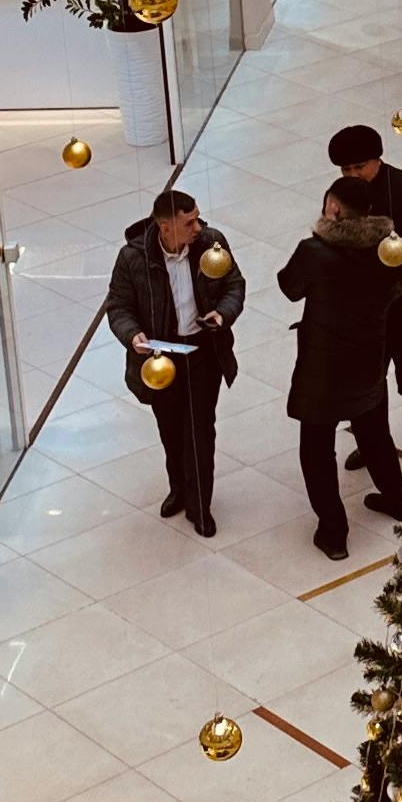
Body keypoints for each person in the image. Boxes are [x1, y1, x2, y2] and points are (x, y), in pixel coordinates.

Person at [104, 185, 245, 538]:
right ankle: (179, 488)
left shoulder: (212, 244)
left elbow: (234, 285)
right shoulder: (132, 257)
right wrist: (132, 334)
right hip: (159, 358)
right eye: (189, 222)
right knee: (169, 427)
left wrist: (222, 315)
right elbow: (118, 305)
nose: (198, 228)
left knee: (200, 429)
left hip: (202, 353)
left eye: (197, 219)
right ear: (165, 227)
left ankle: (201, 505)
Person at [281, 184, 402, 557]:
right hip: (370, 353)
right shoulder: (389, 248)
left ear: (335, 209)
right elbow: (396, 291)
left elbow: (289, 287)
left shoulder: (315, 252)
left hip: (323, 364)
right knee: (374, 431)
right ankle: (396, 499)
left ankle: (334, 531)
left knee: (317, 448)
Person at [327, 120, 402, 396]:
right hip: (363, 311)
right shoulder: (339, 197)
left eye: (360, 167)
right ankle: (376, 440)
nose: (353, 175)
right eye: (346, 169)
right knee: (368, 383)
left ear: (377, 160)